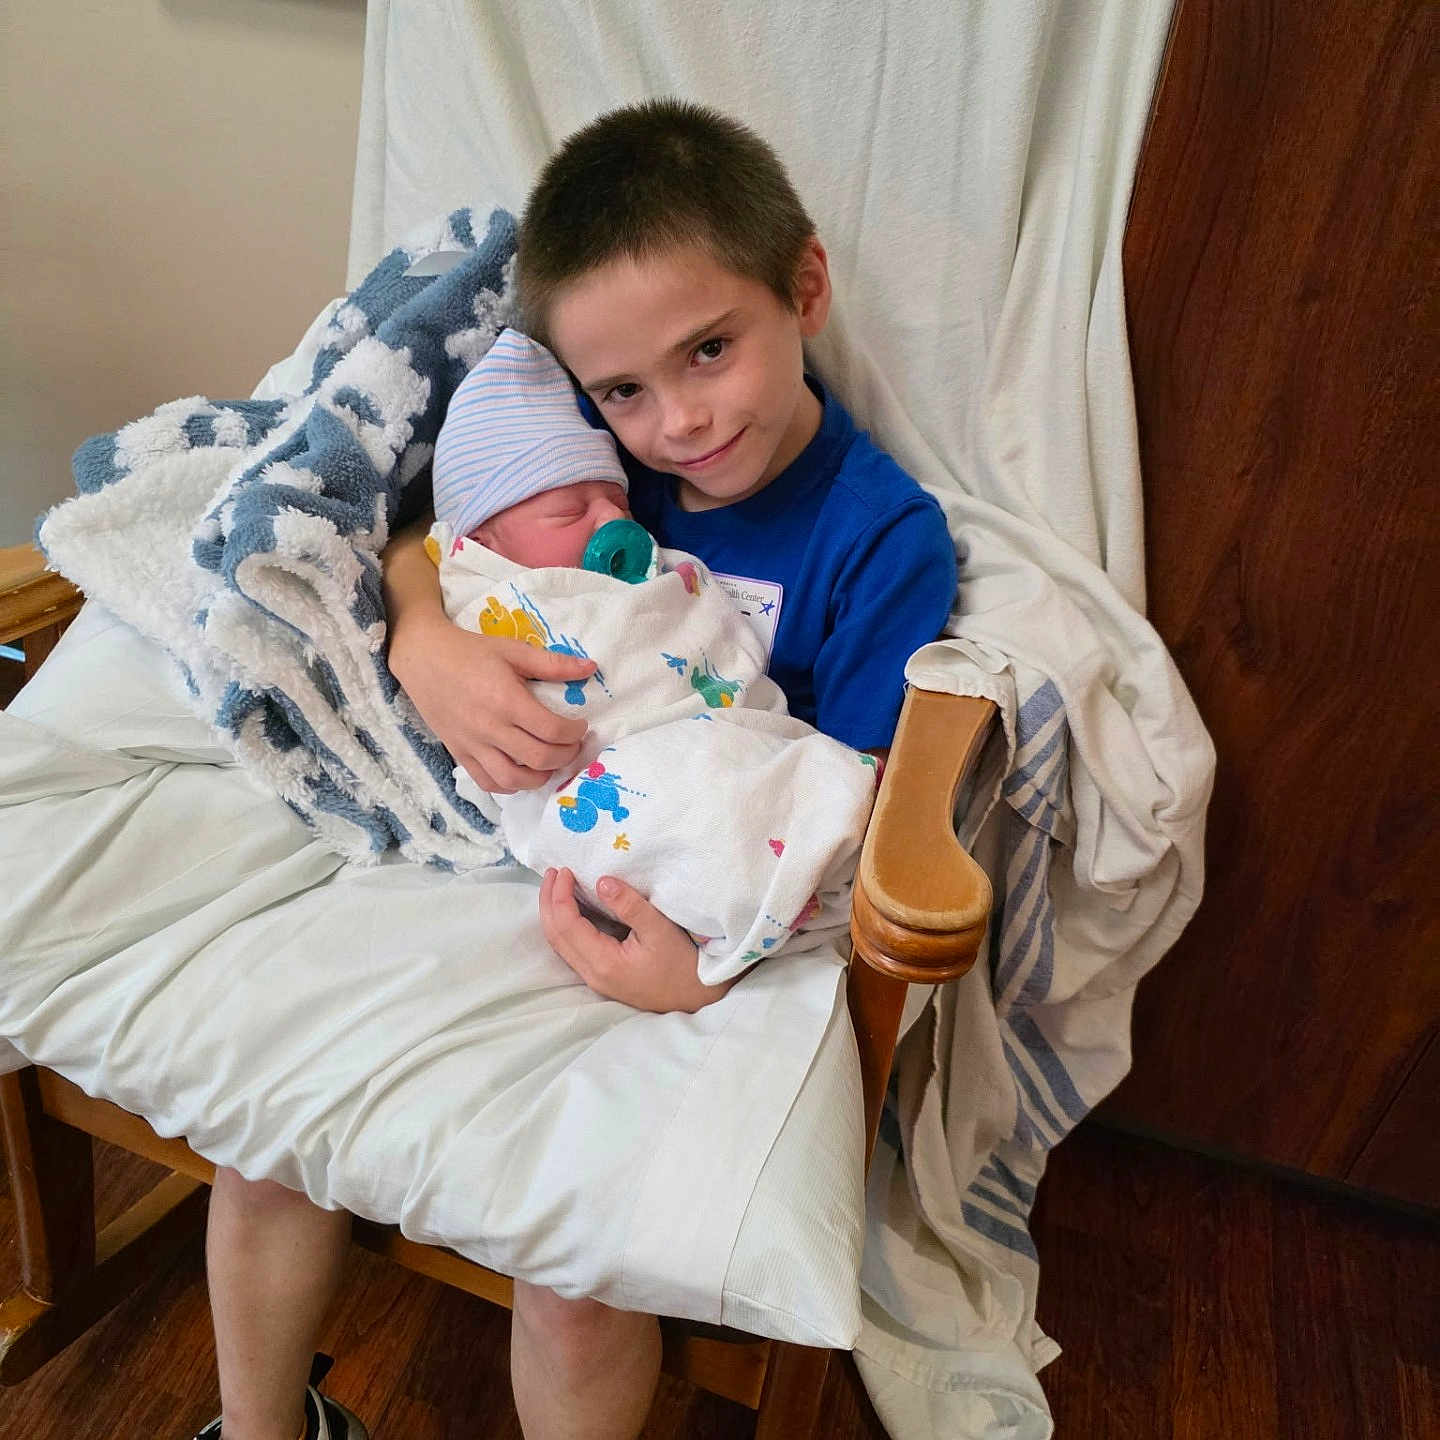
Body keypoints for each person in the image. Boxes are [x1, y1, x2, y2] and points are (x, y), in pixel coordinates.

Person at [196, 99, 957, 1440]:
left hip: (705, 929)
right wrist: (421, 634)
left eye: (711, 350)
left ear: (805, 289)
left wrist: (704, 970)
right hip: (502, 855)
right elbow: (431, 537)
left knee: (576, 1277)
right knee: (265, 1141)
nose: (676, 423)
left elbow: (852, 811)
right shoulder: (592, 465)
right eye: (623, 391)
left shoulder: (880, 538)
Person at [430, 326, 878, 984]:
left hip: (726, 737)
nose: (611, 525)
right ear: (483, 540)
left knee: (774, 784)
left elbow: (692, 641)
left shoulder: (869, 535)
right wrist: (426, 640)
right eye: (568, 511)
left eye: (615, 500)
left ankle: (793, 865)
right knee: (689, 810)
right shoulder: (487, 597)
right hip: (608, 767)